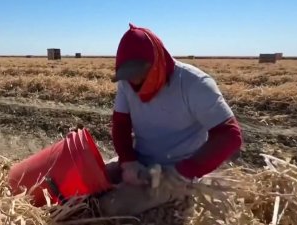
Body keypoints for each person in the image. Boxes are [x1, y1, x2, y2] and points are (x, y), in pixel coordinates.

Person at [99, 23, 243, 216]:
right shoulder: (127, 83)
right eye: (128, 75)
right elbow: (121, 125)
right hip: (141, 164)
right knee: (86, 186)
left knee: (110, 208)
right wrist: (128, 161)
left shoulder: (194, 84)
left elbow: (230, 136)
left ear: (158, 61)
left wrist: (181, 173)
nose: (134, 82)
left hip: (177, 172)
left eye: (139, 75)